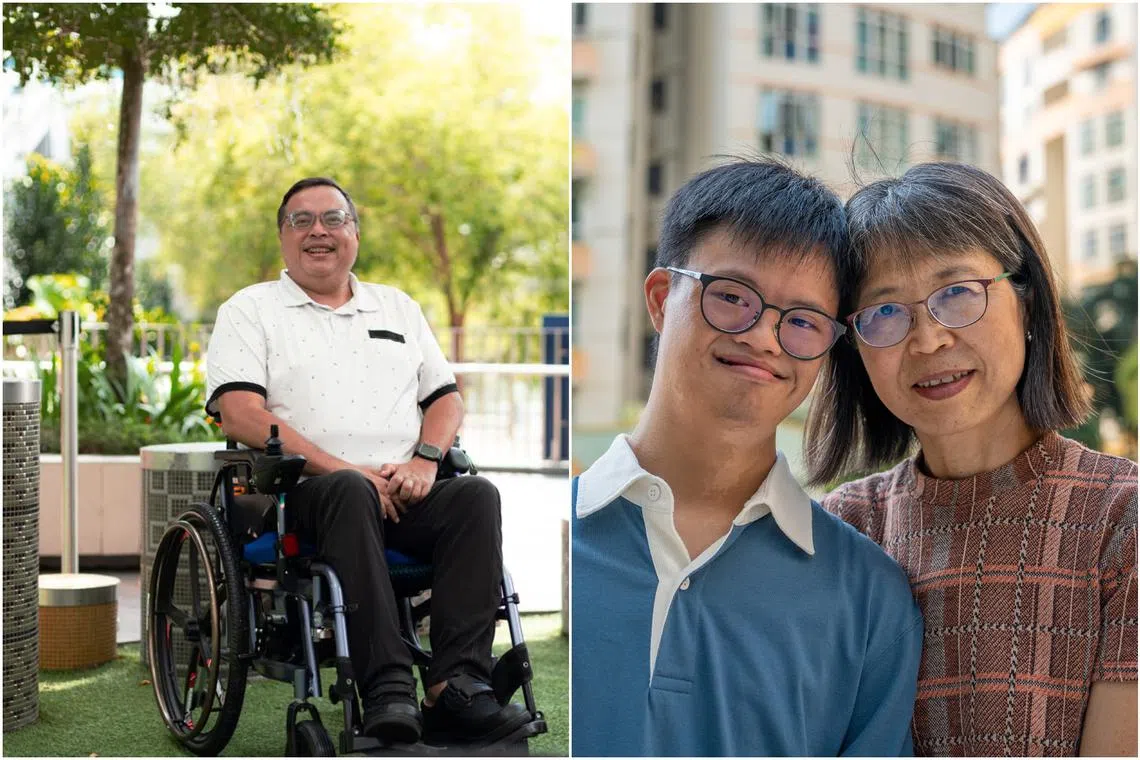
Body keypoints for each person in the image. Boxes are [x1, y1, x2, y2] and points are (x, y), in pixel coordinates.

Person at [572, 159, 924, 757]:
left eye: (804, 321)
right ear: (661, 298)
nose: (764, 336)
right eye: (733, 296)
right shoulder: (546, 534)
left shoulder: (871, 596)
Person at [808, 162, 1138, 756]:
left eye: (956, 293)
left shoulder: (1124, 516)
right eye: (884, 311)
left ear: (1027, 301)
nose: (928, 339)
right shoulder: (840, 528)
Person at [204, 177, 529, 745]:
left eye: (333, 219)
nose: (318, 232)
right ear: (283, 238)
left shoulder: (397, 306)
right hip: (303, 494)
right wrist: (342, 468)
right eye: (300, 221)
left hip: (405, 488)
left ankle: (457, 688)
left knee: (477, 496)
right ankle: (388, 687)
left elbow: (446, 399)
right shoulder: (251, 310)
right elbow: (240, 413)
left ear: (354, 233)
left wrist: (426, 462)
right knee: (351, 492)